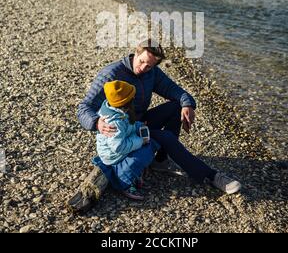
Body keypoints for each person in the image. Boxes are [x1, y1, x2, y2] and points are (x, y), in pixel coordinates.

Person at [71, 40, 241, 213]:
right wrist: (96, 122)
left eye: (149, 65)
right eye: (142, 61)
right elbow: (84, 108)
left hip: (139, 123)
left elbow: (175, 90)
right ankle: (211, 176)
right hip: (120, 132)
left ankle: (160, 161)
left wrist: (187, 104)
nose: (144, 67)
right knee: (166, 138)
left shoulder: (151, 73)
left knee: (177, 106)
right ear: (135, 53)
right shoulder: (111, 74)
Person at [94, 80, 159, 201]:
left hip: (119, 145)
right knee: (144, 153)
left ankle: (133, 171)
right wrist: (140, 141)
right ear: (126, 101)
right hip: (113, 155)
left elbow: (128, 125)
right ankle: (124, 182)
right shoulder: (115, 122)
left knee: (148, 146)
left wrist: (139, 126)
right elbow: (118, 147)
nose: (134, 98)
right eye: (132, 97)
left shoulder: (118, 110)